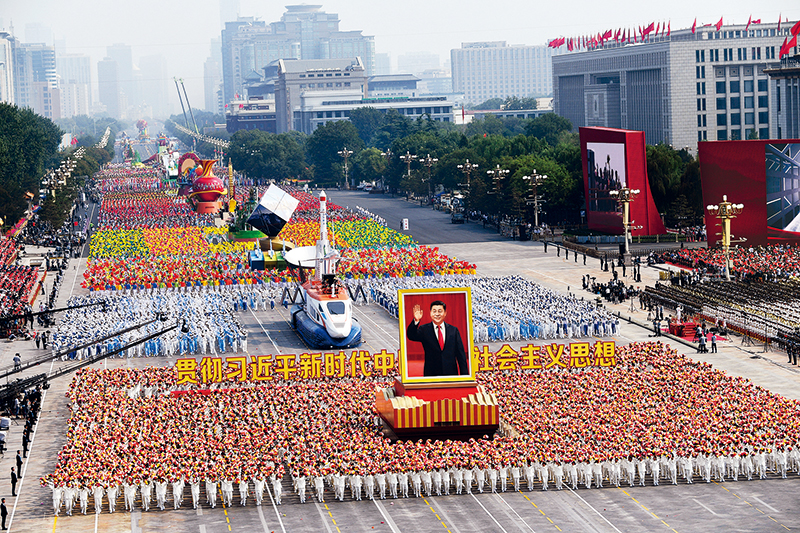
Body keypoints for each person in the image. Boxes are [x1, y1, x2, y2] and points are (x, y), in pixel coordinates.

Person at [406, 300, 469, 376]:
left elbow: (461, 355)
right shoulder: (424, 329)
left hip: (450, 373)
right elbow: (411, 335)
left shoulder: (453, 330)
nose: (437, 314)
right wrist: (416, 321)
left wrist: (465, 376)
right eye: (434, 311)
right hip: (431, 373)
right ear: (430, 313)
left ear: (445, 313)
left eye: (440, 311)